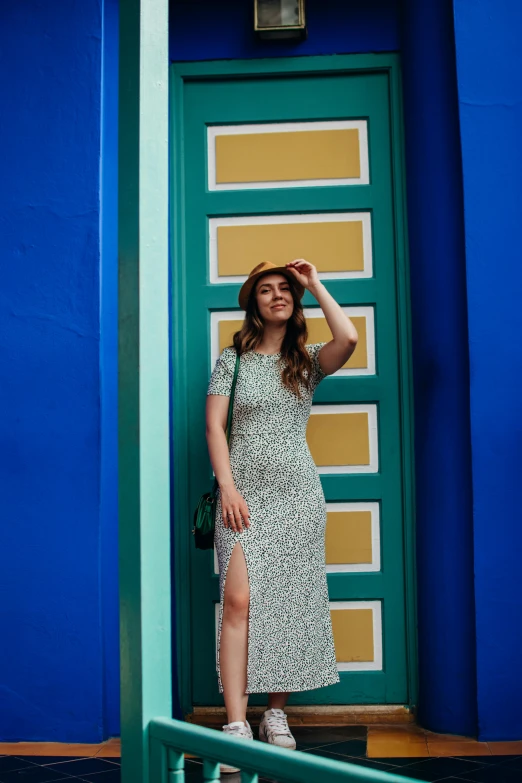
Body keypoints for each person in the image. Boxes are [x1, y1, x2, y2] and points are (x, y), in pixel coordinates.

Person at [206, 259, 358, 773]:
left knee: (287, 604)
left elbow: (350, 338)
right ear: (253, 304)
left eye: (285, 289)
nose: (277, 296)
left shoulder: (307, 360)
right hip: (242, 497)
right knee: (237, 599)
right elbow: (213, 427)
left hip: (297, 496)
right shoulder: (234, 360)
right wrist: (227, 486)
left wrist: (316, 283)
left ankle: (275, 714)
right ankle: (235, 724)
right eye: (266, 290)